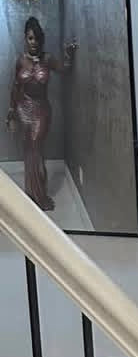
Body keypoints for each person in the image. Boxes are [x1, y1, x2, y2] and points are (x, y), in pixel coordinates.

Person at [6, 16, 77, 212]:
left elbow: (65, 69)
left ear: (41, 39)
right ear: (25, 38)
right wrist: (11, 112)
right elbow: (15, 87)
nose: (33, 42)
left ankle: (40, 195)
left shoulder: (47, 59)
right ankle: (30, 194)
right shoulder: (20, 61)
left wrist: (69, 54)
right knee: (28, 151)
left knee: (36, 149)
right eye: (30, 38)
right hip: (23, 109)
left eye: (36, 38)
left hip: (41, 110)